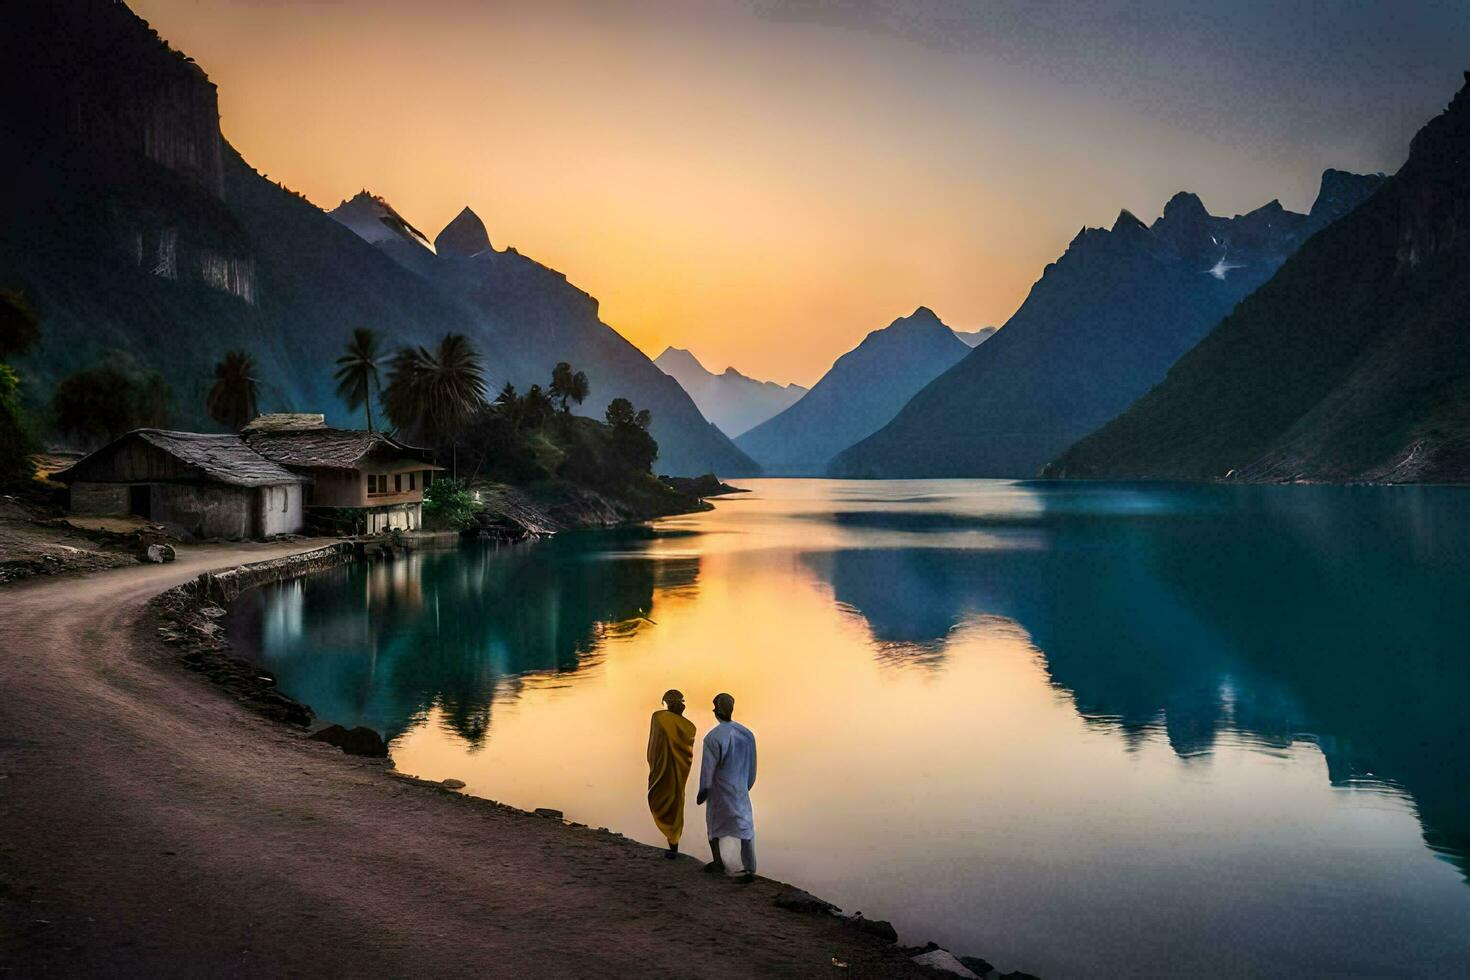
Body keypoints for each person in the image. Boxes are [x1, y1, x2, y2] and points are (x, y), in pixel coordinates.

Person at [696, 692, 757, 879]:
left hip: (720, 790)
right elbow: (752, 766)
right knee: (745, 827)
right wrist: (746, 785)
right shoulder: (747, 734)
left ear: (716, 710)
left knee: (714, 825)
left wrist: (703, 790)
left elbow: (708, 769)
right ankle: (749, 868)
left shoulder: (713, 737)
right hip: (740, 788)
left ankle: (718, 862)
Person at [646, 689, 696, 859]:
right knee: (675, 805)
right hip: (675, 772)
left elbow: (653, 746)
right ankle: (673, 844)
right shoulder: (689, 727)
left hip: (665, 771)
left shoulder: (660, 718)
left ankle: (673, 844)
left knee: (661, 803)